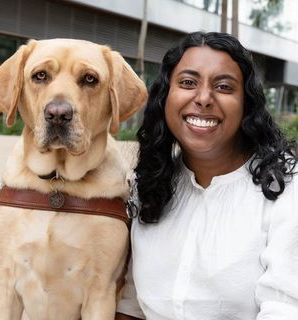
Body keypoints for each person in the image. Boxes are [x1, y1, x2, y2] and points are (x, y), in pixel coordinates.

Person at [115, 31, 298, 320]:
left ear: (246, 104)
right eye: (188, 83)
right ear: (165, 97)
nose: (203, 98)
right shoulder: (148, 184)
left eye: (224, 87)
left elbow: (285, 309)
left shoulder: (287, 190)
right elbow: (131, 305)